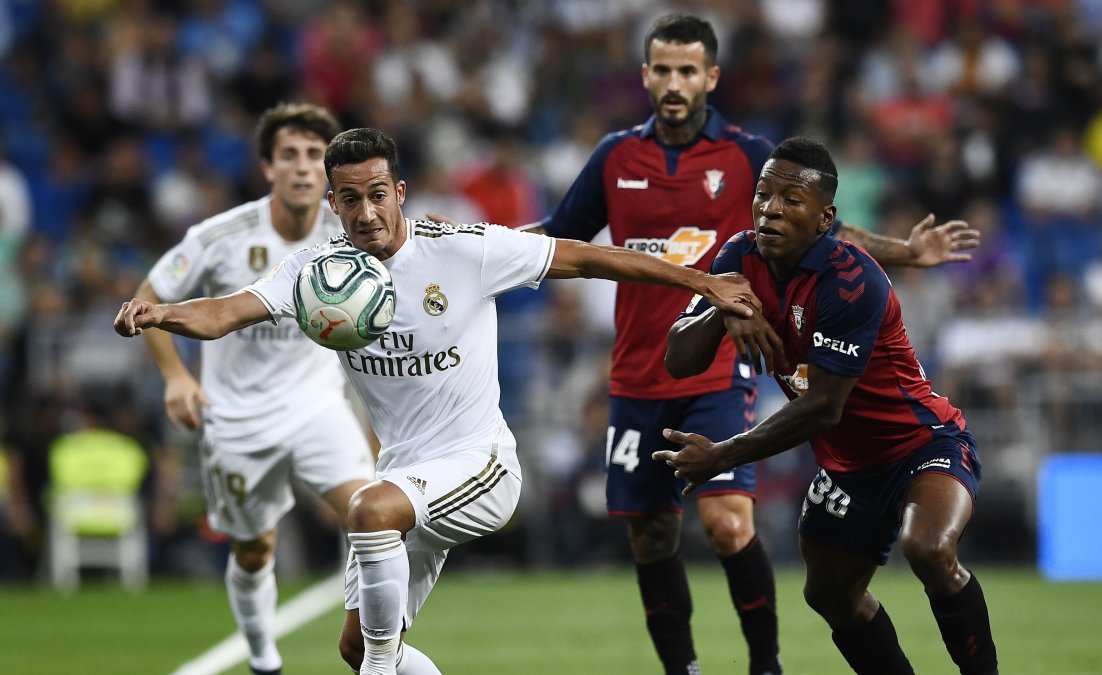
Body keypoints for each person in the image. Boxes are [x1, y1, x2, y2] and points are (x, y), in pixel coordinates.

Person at [113, 127, 762, 675]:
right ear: (333, 204)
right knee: (355, 641)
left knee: (368, 514)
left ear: (398, 192)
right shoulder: (317, 275)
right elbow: (226, 312)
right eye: (350, 199)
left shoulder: (464, 250)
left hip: (480, 464)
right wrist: (162, 312)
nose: (366, 212)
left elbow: (589, 258)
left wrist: (703, 281)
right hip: (406, 472)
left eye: (376, 195)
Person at [529, 14, 979, 675]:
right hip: (636, 371)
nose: (674, 82)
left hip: (722, 376)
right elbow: (556, 236)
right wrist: (474, 250)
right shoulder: (616, 158)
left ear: (710, 76)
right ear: (646, 75)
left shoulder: (748, 157)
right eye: (663, 69)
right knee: (652, 536)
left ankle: (765, 665)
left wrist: (906, 252)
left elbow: (830, 226)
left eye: (688, 70)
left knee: (729, 525)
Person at [655, 137, 999, 675]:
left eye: (792, 200)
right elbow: (678, 359)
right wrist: (724, 308)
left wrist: (721, 456)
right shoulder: (737, 256)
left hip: (920, 444)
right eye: (764, 195)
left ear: (825, 218)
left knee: (928, 548)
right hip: (847, 468)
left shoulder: (851, 280)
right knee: (830, 596)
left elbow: (823, 408)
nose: (771, 208)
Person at [133, 102, 375, 675]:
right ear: (268, 167)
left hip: (318, 407)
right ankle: (265, 658)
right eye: (288, 155)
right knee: (254, 550)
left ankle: (376, 652)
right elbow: (148, 295)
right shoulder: (220, 236)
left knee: (373, 516)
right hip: (237, 419)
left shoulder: (349, 229)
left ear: (329, 168)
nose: (302, 166)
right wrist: (175, 376)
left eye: (315, 155)